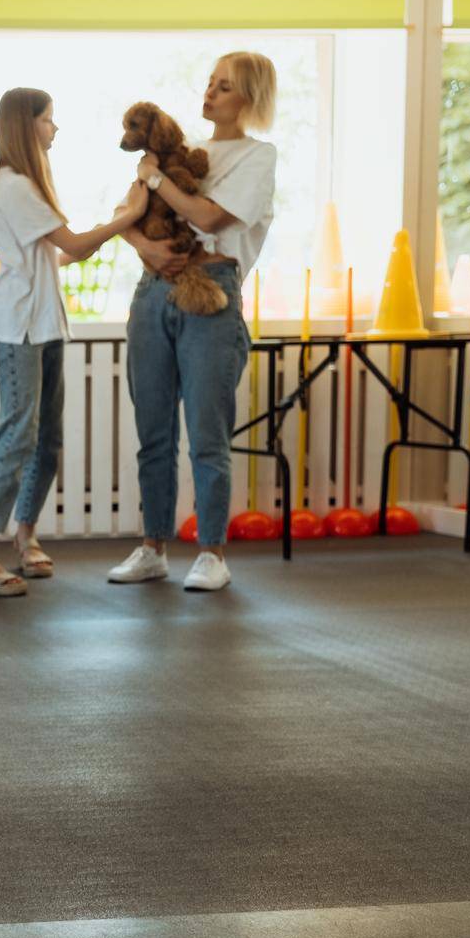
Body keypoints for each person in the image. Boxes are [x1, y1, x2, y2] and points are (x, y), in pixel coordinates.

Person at [0, 89, 148, 596]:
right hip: (18, 330)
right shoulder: (15, 185)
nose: (54, 128)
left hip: (46, 325)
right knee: (17, 434)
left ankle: (25, 533)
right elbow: (79, 247)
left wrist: (31, 266)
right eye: (48, 120)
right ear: (26, 125)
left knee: (48, 440)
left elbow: (53, 257)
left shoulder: (32, 184)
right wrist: (130, 214)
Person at [110, 53, 279, 592]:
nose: (209, 94)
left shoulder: (257, 156)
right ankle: (153, 546)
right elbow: (125, 217)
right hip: (154, 291)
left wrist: (155, 175)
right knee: (152, 431)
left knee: (208, 434)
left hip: (213, 297)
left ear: (248, 99)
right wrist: (147, 250)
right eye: (209, 84)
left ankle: (211, 552)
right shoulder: (185, 154)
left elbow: (209, 218)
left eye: (224, 87)